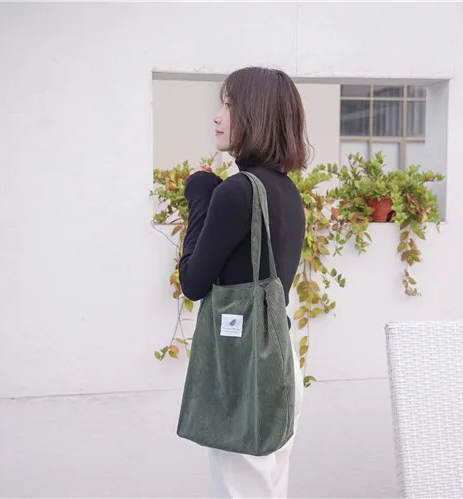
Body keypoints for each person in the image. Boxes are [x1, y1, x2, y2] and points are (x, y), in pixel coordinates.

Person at [178, 66, 311, 498]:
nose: (217, 116)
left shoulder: (237, 192)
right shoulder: (288, 192)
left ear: (255, 114)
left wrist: (200, 196)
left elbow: (193, 281)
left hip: (244, 369)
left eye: (229, 105)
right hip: (280, 362)